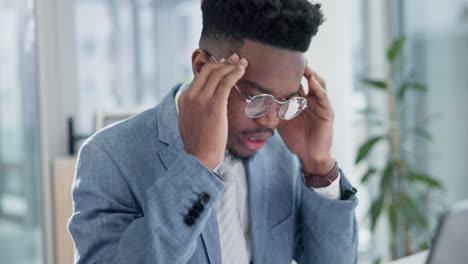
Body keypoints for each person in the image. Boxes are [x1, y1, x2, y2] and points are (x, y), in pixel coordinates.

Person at [68, 0, 358, 263]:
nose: (271, 120)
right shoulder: (108, 157)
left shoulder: (284, 150)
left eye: (285, 101)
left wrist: (318, 165)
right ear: (202, 66)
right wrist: (197, 166)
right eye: (256, 98)